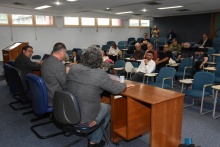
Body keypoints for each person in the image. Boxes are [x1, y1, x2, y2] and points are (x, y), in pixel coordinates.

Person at [66, 46, 134, 147]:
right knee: (108, 107)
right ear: (99, 60)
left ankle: (93, 127)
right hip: (85, 117)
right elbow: (115, 89)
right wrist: (124, 85)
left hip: (71, 112)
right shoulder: (99, 74)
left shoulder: (74, 68)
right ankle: (94, 140)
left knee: (100, 103)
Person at [41, 42, 69, 106]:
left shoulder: (45, 61)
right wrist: (67, 73)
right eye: (65, 53)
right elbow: (66, 84)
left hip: (46, 93)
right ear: (62, 52)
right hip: (54, 97)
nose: (65, 55)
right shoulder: (59, 65)